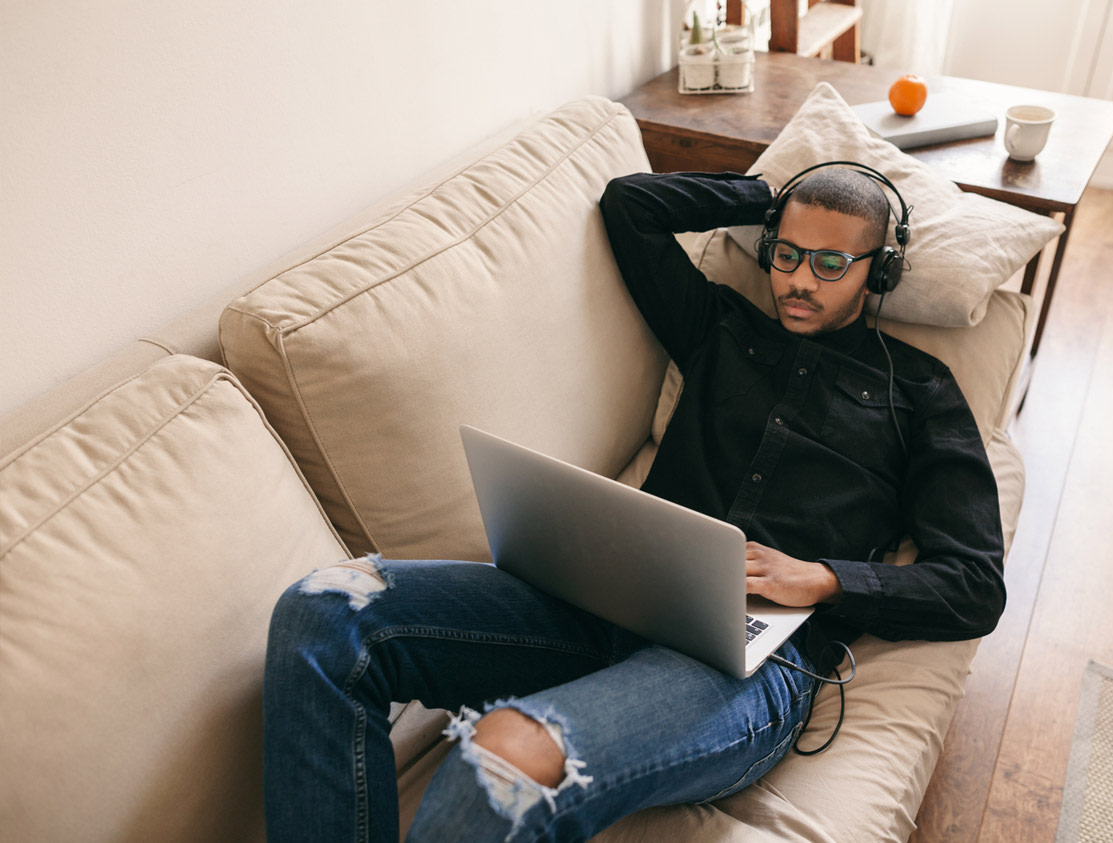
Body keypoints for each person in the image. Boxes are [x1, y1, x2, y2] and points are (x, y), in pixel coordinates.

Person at [261, 166, 1006, 843]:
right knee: (326, 607)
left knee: (507, 756)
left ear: (882, 270)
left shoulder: (921, 395)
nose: (798, 280)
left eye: (831, 263)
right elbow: (632, 206)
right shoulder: (720, 327)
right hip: (603, 602)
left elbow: (974, 582)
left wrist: (824, 577)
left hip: (746, 665)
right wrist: (767, 193)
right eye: (786, 254)